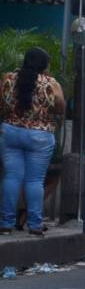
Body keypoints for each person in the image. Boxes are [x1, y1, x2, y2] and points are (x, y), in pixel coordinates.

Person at [0, 48, 65, 236]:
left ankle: (6, 224)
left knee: (12, 177)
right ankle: (35, 225)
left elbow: (1, 105)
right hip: (40, 135)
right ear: (44, 64)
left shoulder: (8, 79)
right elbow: (60, 107)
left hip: (10, 132)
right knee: (35, 180)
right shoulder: (50, 83)